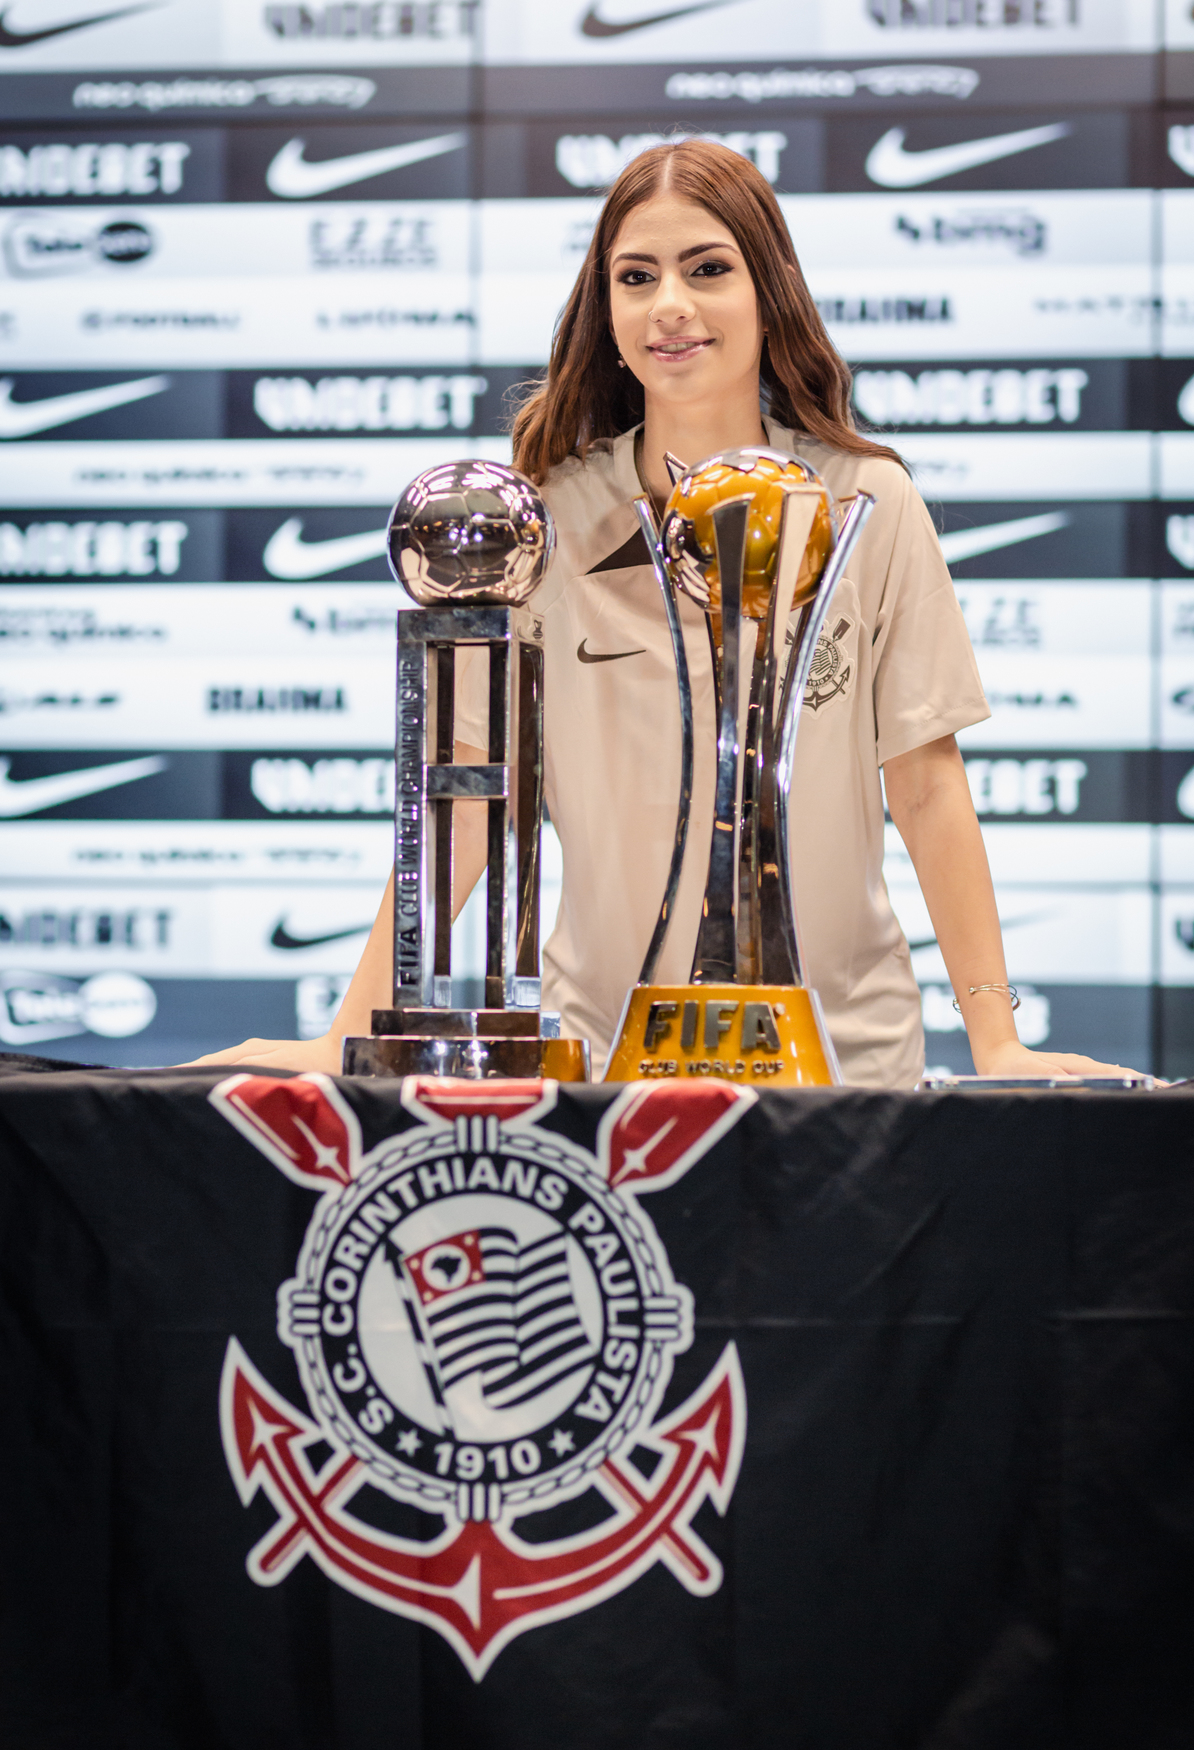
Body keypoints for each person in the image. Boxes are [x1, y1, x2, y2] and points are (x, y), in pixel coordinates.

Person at [196, 139, 1140, 1086]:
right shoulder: (545, 518)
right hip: (603, 1064)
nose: (671, 306)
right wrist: (346, 1031)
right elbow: (468, 808)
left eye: (708, 270)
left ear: (768, 293)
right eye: (637, 276)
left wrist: (997, 1041)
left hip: (842, 1063)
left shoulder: (867, 501)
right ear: (606, 312)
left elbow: (927, 785)